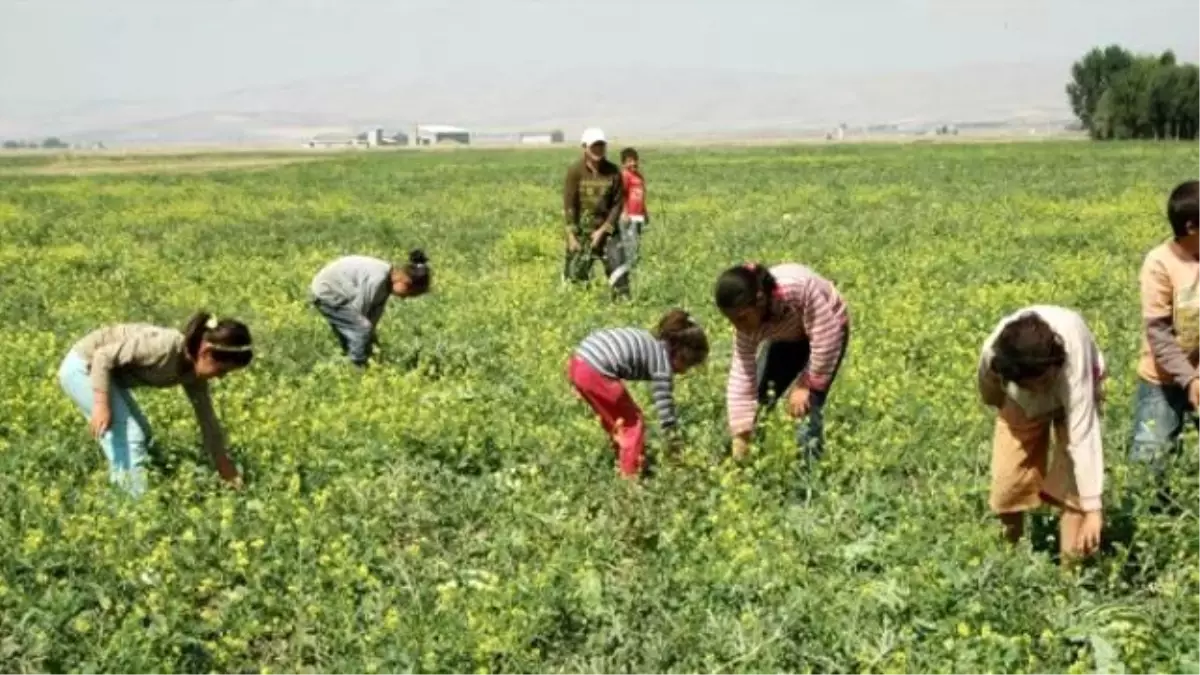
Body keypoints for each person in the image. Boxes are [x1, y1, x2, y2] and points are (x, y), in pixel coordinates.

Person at [57, 312, 254, 497]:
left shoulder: (193, 373)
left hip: (106, 375)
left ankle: (124, 489)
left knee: (143, 433)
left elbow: (208, 420)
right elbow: (102, 356)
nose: (220, 377)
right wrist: (101, 404)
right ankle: (132, 504)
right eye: (222, 370)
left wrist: (226, 468)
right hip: (84, 367)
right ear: (206, 352)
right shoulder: (164, 346)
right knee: (131, 435)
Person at [977, 306, 1106, 561]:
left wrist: (1094, 510)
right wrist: (1001, 403)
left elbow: (1083, 435)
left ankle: (1071, 574)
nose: (1040, 390)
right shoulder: (995, 353)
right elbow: (988, 386)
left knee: (1074, 487)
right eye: (1033, 386)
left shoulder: (1073, 358)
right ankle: (1007, 558)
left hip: (1072, 391)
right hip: (1020, 401)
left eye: (1044, 382)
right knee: (1007, 483)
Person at [715, 262, 850, 464]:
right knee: (760, 397)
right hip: (788, 336)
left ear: (760, 300)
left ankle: (809, 468)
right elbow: (742, 375)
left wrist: (806, 384)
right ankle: (747, 462)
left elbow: (827, 338)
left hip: (828, 329)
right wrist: (740, 431)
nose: (738, 326)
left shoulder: (797, 287)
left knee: (805, 404)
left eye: (742, 318)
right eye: (731, 320)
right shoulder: (746, 325)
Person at [567, 309, 709, 476]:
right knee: (633, 424)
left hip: (579, 362)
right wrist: (674, 444)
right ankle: (630, 479)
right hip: (595, 370)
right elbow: (666, 411)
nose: (684, 371)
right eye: (687, 364)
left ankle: (624, 459)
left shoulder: (652, 342)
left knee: (617, 422)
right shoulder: (662, 364)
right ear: (677, 351)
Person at [1131, 180, 1200, 492]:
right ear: (1191, 227)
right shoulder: (1160, 263)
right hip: (1161, 381)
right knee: (1151, 458)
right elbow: (1158, 333)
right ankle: (1145, 512)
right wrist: (1190, 379)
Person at [310, 250, 431, 367]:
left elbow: (372, 319)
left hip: (341, 292)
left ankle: (355, 359)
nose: (404, 298)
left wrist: (373, 345)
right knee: (361, 328)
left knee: (362, 331)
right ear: (405, 281)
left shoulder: (386, 284)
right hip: (328, 291)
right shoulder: (377, 280)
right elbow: (359, 314)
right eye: (409, 294)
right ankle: (357, 367)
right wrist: (365, 339)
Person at [562, 127, 628, 299]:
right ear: (585, 147)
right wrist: (572, 236)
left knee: (619, 275)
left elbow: (618, 205)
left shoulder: (613, 172)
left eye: (601, 145)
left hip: (608, 231)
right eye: (594, 146)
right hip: (582, 232)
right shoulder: (575, 170)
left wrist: (603, 231)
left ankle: (622, 306)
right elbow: (569, 205)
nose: (598, 149)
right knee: (576, 278)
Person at [611, 147, 649, 287]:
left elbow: (642, 197)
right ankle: (625, 276)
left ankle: (632, 272)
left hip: (638, 216)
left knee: (636, 245)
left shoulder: (639, 176)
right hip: (629, 217)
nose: (633, 163)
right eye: (629, 161)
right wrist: (624, 212)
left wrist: (645, 213)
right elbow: (622, 195)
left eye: (635, 160)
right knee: (628, 247)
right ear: (623, 163)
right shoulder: (625, 176)